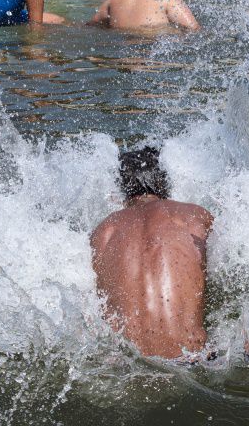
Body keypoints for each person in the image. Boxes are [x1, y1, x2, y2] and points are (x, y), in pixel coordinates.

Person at [91, 147, 213, 360]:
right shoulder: (194, 215)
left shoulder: (103, 231)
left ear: (123, 189)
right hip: (190, 362)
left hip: (132, 368)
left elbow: (104, 312)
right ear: (165, 183)